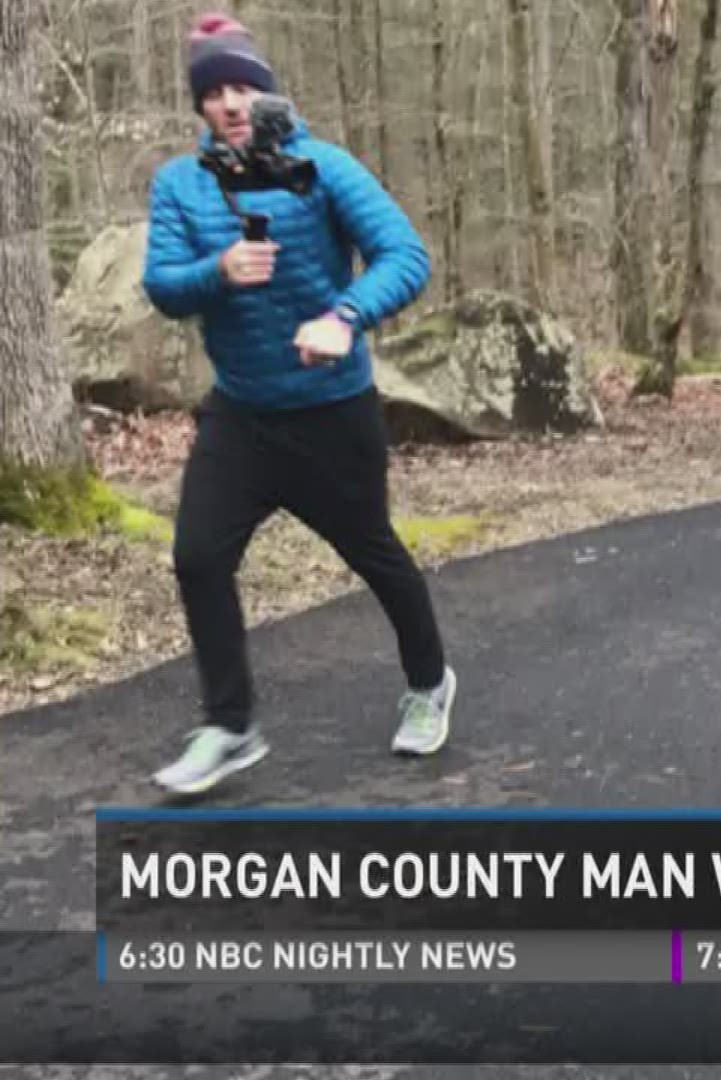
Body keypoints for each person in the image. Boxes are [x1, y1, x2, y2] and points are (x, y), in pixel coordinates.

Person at [141, 13, 450, 794]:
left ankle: (429, 683)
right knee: (198, 556)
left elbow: (406, 256)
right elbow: (162, 285)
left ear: (266, 92)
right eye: (213, 92)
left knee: (374, 553)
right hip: (241, 415)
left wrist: (345, 317)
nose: (231, 103)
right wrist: (219, 270)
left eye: (243, 86)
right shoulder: (180, 184)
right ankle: (230, 725)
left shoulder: (323, 165)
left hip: (331, 413)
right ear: (201, 107)